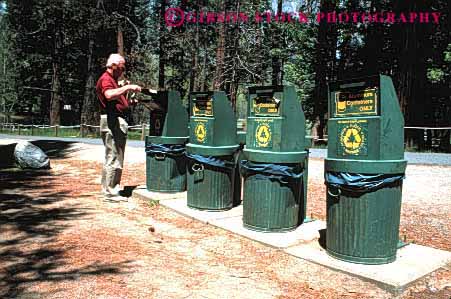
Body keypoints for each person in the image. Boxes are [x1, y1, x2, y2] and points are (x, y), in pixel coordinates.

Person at [96, 53, 142, 202]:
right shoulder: (106, 79)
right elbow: (109, 95)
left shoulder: (114, 80)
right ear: (114, 66)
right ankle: (110, 193)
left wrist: (128, 97)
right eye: (122, 67)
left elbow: (117, 99)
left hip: (116, 119)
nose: (123, 71)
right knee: (114, 156)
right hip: (112, 120)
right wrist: (128, 87)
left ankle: (108, 189)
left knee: (114, 155)